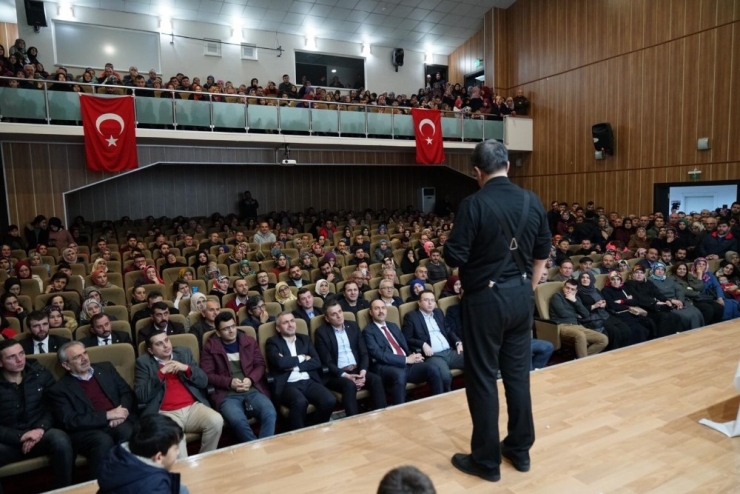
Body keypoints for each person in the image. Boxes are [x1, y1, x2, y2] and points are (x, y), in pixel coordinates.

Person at [442, 140, 551, 482]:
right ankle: (519, 450)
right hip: (521, 296)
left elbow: (453, 257)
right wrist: (528, 288)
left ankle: (486, 462)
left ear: (477, 171)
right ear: (508, 165)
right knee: (518, 375)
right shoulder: (531, 200)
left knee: (483, 378)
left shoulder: (473, 204)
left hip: (486, 300)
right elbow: (542, 253)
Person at [48, 341, 136, 479]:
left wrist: (122, 412)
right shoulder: (59, 389)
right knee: (102, 441)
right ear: (66, 365)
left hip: (118, 420)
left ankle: (133, 480)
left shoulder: (106, 368)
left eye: (85, 353)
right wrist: (107, 415)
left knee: (128, 431)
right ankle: (99, 486)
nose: (84, 358)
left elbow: (126, 393)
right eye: (77, 357)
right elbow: (70, 421)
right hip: (87, 431)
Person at [134, 331, 223, 458]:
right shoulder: (143, 363)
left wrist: (186, 369)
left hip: (193, 408)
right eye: (159, 344)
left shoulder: (183, 353)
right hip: (166, 413)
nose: (166, 346)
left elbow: (204, 382)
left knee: (216, 420)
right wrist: (160, 373)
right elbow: (141, 395)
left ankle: (205, 459)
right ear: (151, 350)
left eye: (166, 340)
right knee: (176, 436)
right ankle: (185, 471)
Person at [0, 339, 75, 490]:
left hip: (40, 433)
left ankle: (65, 490)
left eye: (21, 353)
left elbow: (54, 407)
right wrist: (19, 436)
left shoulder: (40, 373)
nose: (19, 360)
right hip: (8, 441)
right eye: (11, 357)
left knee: (61, 440)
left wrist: (40, 429)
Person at [201, 312, 276, 443]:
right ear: (218, 332)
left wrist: (251, 379)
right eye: (226, 328)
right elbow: (208, 374)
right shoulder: (210, 347)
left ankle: (265, 446)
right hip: (227, 394)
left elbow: (260, 365)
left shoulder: (249, 341)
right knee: (238, 421)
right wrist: (230, 382)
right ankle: (254, 449)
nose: (231, 331)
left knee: (270, 413)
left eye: (233, 326)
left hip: (252, 389)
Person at [363, 299, 444, 405]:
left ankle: (439, 403)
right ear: (371, 312)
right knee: (399, 374)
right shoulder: (368, 331)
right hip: (385, 367)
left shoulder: (393, 326)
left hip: (406, 364)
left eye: (383, 308)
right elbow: (379, 355)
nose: (381, 311)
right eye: (376, 308)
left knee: (433, 368)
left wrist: (412, 355)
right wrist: (405, 359)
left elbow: (403, 345)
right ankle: (400, 410)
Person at [314, 298, 387, 416]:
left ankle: (383, 415)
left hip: (357, 369)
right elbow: (327, 361)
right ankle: (353, 422)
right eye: (334, 314)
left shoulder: (353, 326)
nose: (339, 316)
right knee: (349, 385)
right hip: (337, 374)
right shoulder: (321, 333)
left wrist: (363, 372)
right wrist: (346, 376)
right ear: (327, 318)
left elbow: (363, 353)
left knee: (376, 379)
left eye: (340, 311)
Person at [265, 312, 337, 430]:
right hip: (288, 384)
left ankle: (314, 429)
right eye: (285, 322)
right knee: (300, 402)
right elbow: (281, 363)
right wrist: (302, 357)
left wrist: (294, 366)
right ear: (278, 328)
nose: (290, 325)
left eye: (292, 321)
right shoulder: (273, 342)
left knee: (329, 400)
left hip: (308, 380)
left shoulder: (305, 339)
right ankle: (299, 436)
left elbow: (316, 361)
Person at [97, 414, 190, 494]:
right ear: (158, 457)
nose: (178, 452)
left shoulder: (115, 455)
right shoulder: (154, 486)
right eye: (176, 448)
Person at [401, 290, 464, 392]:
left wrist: (458, 342)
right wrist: (423, 344)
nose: (430, 303)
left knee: (474, 361)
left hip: (450, 352)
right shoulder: (412, 316)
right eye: (426, 300)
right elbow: (406, 338)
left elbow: (448, 330)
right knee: (445, 376)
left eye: (432, 300)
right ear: (419, 302)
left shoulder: (438, 312)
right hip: (434, 355)